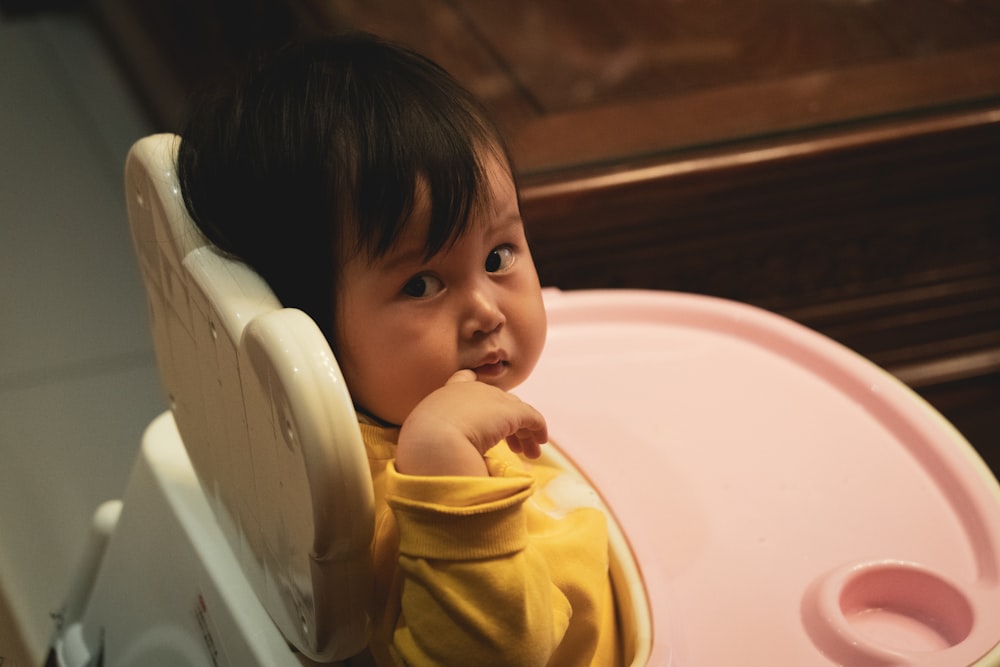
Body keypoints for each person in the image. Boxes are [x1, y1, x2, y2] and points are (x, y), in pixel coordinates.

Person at [177, 32, 623, 666]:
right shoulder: (389, 503)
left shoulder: (400, 395)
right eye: (421, 283)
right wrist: (442, 457)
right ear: (311, 322)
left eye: (498, 256)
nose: (487, 311)